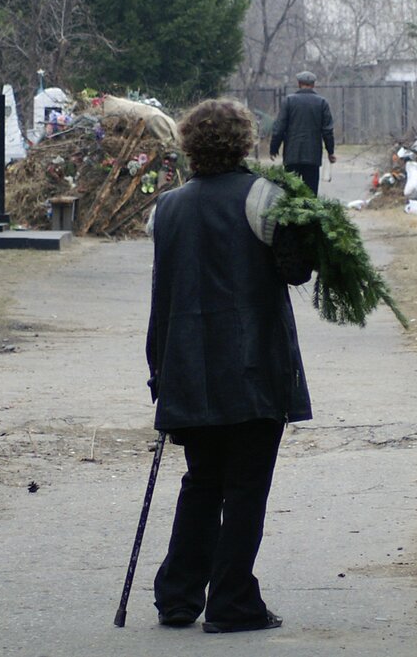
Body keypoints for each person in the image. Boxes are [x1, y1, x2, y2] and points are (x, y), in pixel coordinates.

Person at [146, 98, 312, 634]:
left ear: (190, 145)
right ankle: (231, 602)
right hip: (252, 368)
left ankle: (178, 595)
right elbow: (294, 272)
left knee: (201, 481)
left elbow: (162, 296)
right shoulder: (265, 197)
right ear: (244, 142)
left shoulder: (165, 208)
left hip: (187, 366)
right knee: (244, 487)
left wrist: (159, 372)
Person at [269, 71, 336, 195]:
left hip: (291, 155)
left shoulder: (289, 101)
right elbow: (328, 130)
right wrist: (330, 151)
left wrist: (274, 148)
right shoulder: (322, 103)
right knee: (310, 195)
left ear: (299, 83)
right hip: (312, 156)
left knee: (289, 193)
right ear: (313, 84)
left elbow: (279, 127)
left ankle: (290, 214)